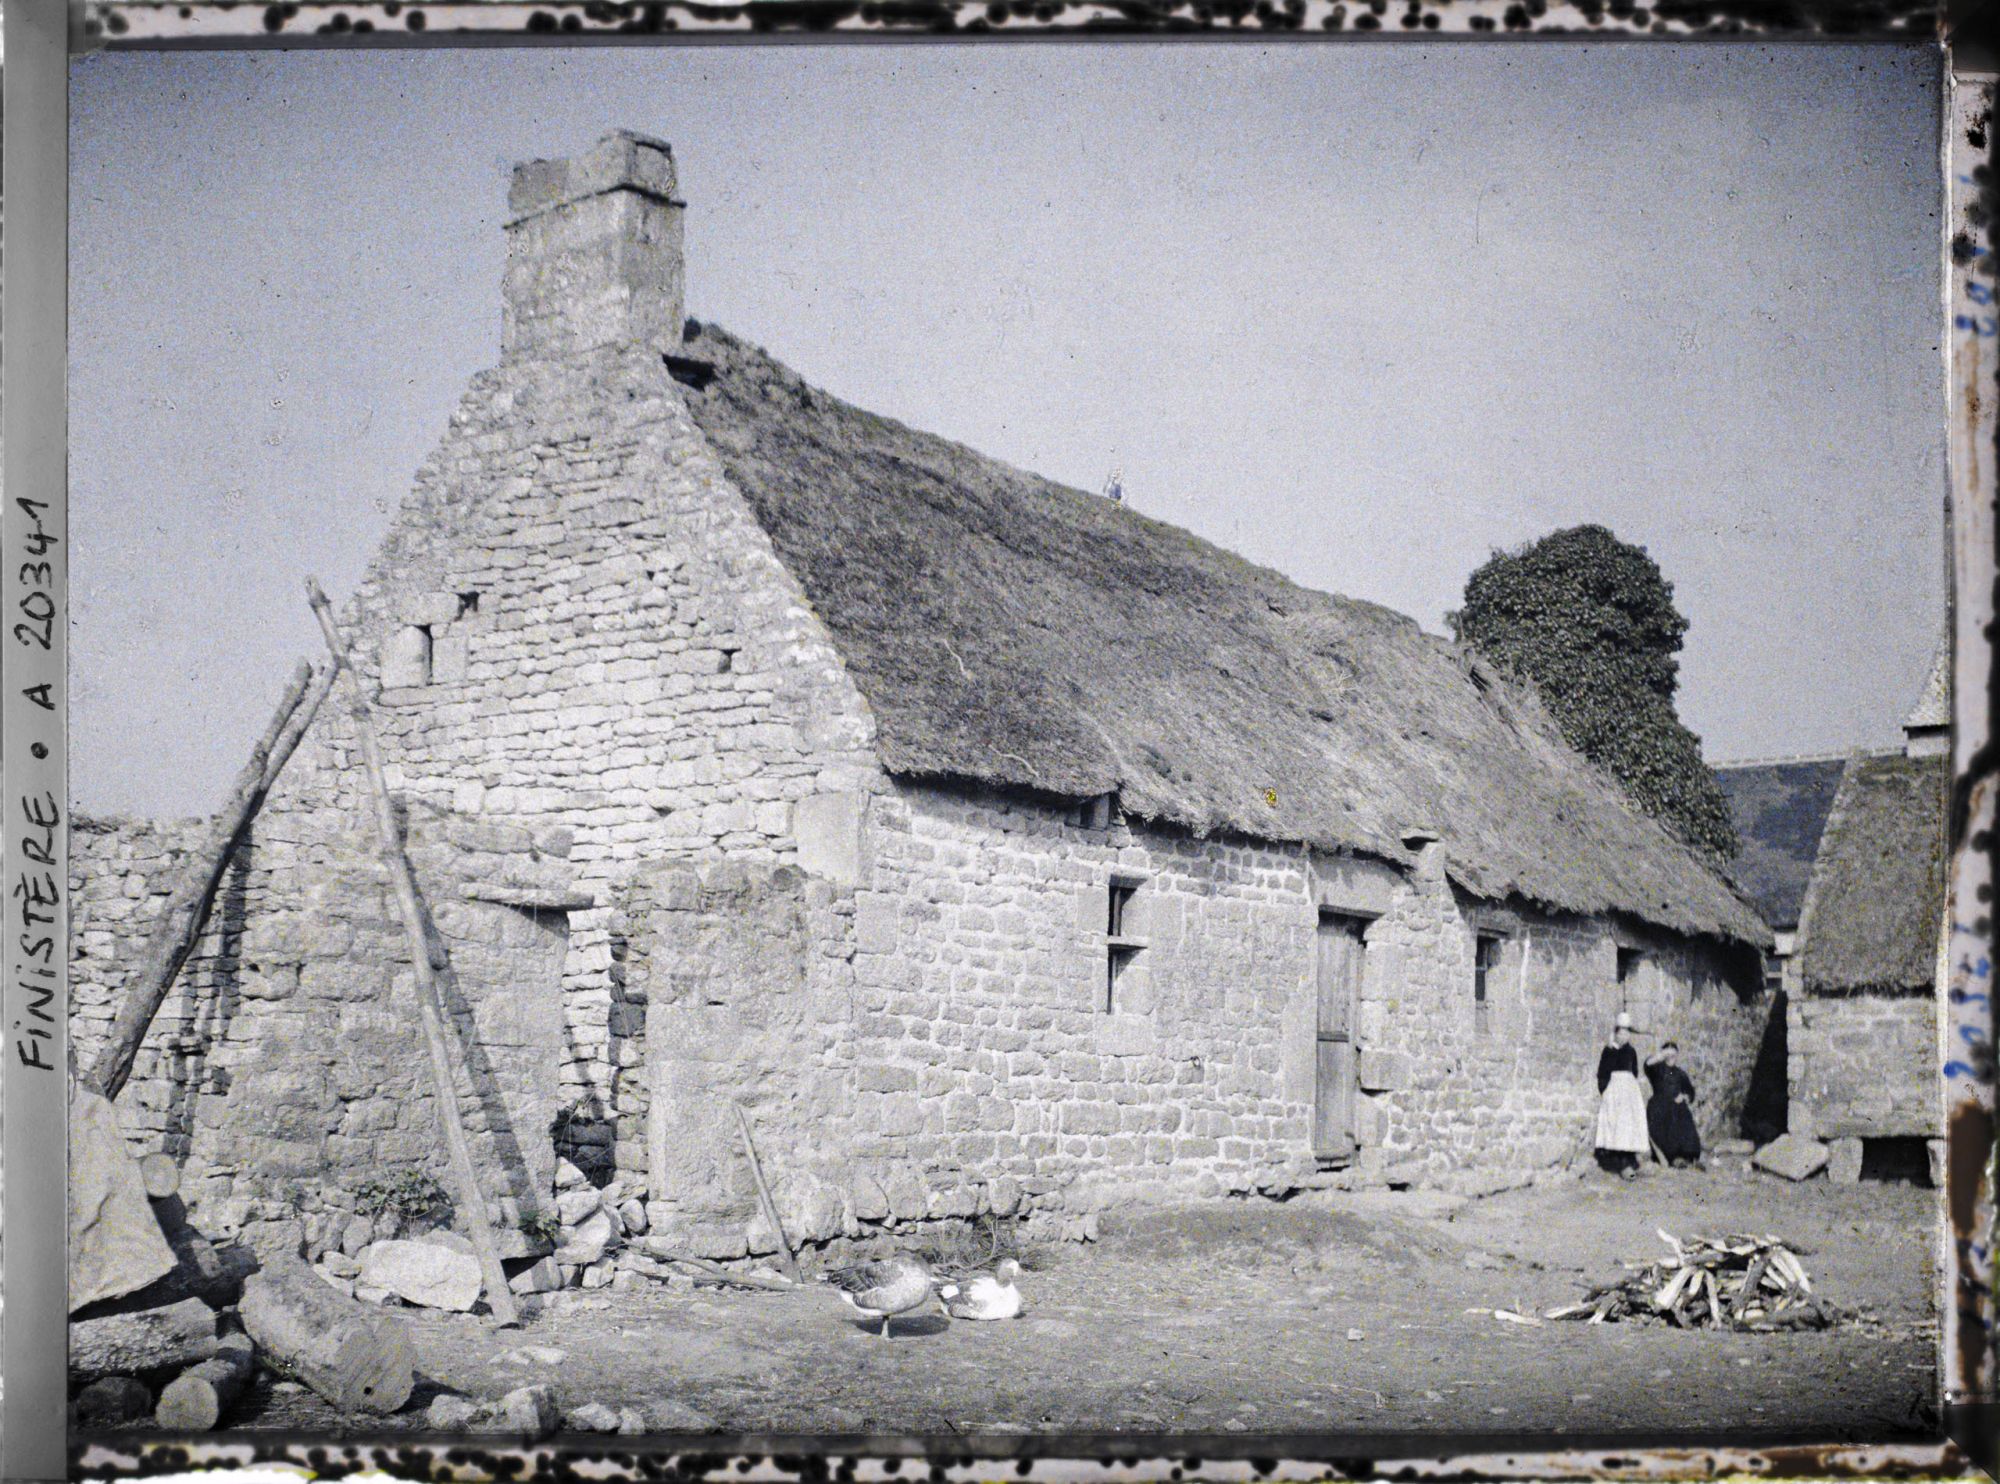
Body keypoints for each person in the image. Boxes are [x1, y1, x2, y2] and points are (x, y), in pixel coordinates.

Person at [1594, 1012, 1649, 1180]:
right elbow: (1602, 1073)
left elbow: (1634, 1072)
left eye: (1627, 1033)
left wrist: (1632, 1090)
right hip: (1614, 1092)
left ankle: (1631, 1160)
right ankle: (1622, 1164)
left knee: (1630, 1125)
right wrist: (1605, 1091)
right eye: (1621, 1033)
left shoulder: (1631, 1051)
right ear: (1616, 1033)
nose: (1624, 1036)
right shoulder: (1609, 1050)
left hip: (1629, 1092)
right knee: (1617, 1126)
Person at [1643, 1040, 1702, 1168]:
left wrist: (1684, 1096)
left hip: (1678, 1106)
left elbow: (1690, 1092)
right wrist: (1662, 1054)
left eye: (1674, 1055)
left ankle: (1689, 1157)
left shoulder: (1680, 1073)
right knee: (1666, 1126)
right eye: (1668, 1055)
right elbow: (1647, 1064)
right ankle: (1674, 1158)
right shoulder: (1657, 1069)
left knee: (1684, 1123)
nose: (1671, 1058)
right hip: (1659, 1106)